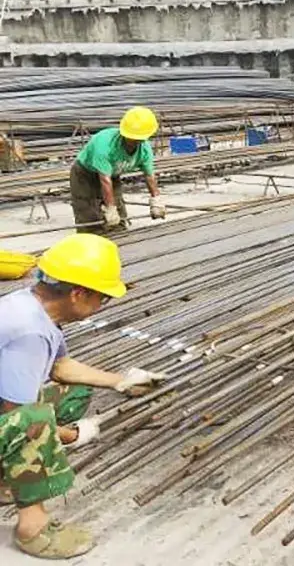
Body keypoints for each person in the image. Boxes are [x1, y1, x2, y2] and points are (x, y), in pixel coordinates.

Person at [0, 234, 166, 560]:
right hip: (13, 411)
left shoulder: (28, 305)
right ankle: (33, 531)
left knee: (71, 394)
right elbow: (18, 416)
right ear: (78, 294)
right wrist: (75, 436)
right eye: (102, 298)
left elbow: (60, 368)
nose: (103, 304)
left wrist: (121, 382)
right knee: (34, 421)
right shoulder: (30, 331)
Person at [70, 107, 165, 234]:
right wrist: (110, 208)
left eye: (138, 140)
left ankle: (119, 240)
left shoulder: (144, 150)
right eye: (131, 138)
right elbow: (105, 180)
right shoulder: (105, 145)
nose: (134, 142)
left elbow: (149, 176)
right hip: (85, 174)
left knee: (118, 216)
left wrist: (156, 201)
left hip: (112, 174)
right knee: (89, 214)